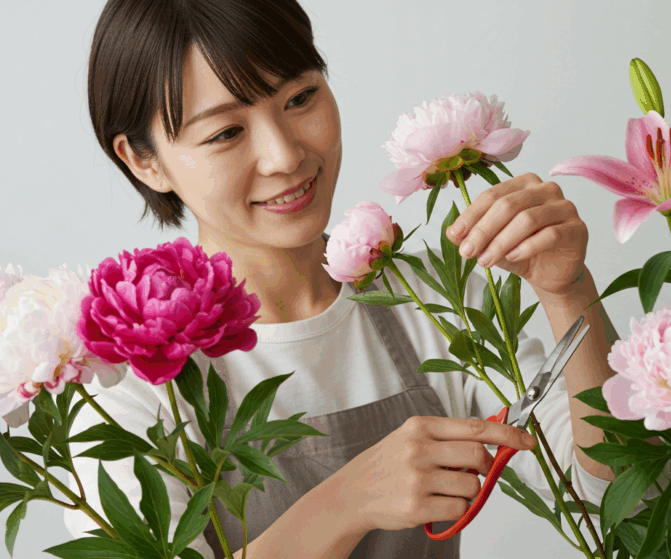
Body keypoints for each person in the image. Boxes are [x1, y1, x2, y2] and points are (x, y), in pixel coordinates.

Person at [65, 1, 624, 557]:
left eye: (300, 98)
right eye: (226, 132)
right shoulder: (122, 381)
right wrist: (345, 503)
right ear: (145, 162)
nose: (284, 155)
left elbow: (614, 496)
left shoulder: (436, 301)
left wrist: (567, 292)